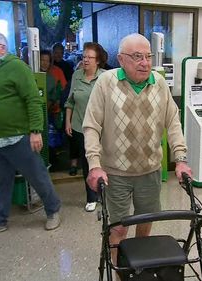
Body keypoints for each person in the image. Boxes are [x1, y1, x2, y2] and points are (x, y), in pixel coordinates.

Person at [83, 33, 192, 262]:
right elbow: (91, 126)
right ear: (121, 59)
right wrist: (94, 165)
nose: (145, 62)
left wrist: (180, 158)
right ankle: (119, 270)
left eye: (148, 56)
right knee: (119, 228)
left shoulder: (159, 83)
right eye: (137, 56)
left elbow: (172, 121)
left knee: (145, 222)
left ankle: (139, 267)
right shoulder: (106, 82)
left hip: (150, 171)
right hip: (115, 173)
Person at [0, 31, 62, 239]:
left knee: (37, 177)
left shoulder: (17, 67)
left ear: (2, 47)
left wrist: (36, 131)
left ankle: (53, 210)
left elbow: (33, 100)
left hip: (18, 137)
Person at [64, 42, 106, 212]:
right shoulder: (76, 75)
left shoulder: (105, 76)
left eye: (90, 57)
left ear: (98, 60)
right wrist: (68, 121)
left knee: (104, 162)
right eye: (84, 57)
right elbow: (70, 100)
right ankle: (91, 197)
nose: (86, 60)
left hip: (103, 128)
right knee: (88, 163)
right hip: (81, 127)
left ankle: (105, 194)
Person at [52, 43, 78, 175]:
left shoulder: (67, 66)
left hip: (69, 102)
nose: (57, 54)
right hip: (57, 104)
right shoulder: (48, 67)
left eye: (59, 52)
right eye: (55, 52)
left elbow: (68, 87)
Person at [40, 50, 67, 168]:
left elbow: (61, 91)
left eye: (47, 61)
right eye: (42, 60)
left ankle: (52, 163)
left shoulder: (52, 76)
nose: (44, 63)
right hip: (38, 114)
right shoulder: (31, 75)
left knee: (52, 140)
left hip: (51, 112)